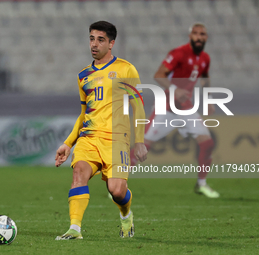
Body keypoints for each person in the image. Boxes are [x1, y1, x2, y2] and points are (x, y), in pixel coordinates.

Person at [55, 21, 147, 240]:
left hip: (117, 141)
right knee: (78, 174)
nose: (94, 44)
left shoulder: (126, 69)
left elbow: (139, 107)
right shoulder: (83, 76)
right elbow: (83, 114)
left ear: (111, 43)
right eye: (91, 38)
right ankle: (74, 229)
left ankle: (126, 214)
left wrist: (140, 141)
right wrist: (68, 143)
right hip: (89, 139)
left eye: (100, 39)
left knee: (116, 190)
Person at [130, 23, 219, 198]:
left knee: (207, 144)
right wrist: (175, 90)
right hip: (167, 108)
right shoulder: (179, 53)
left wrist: (208, 99)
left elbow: (205, 78)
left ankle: (201, 184)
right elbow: (158, 75)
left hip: (187, 110)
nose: (199, 37)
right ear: (190, 36)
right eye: (196, 34)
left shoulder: (205, 58)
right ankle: (119, 182)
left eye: (203, 34)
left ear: (206, 38)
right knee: (142, 147)